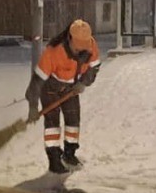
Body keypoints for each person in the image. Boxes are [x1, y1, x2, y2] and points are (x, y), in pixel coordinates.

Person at [25, 19, 101, 174]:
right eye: (79, 46)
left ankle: (69, 154)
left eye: (85, 45)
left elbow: (95, 67)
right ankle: (54, 161)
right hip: (50, 88)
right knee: (52, 126)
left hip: (71, 88)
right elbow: (37, 81)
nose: (83, 50)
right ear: (70, 39)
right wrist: (33, 106)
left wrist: (84, 82)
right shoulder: (54, 52)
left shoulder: (90, 45)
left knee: (73, 122)